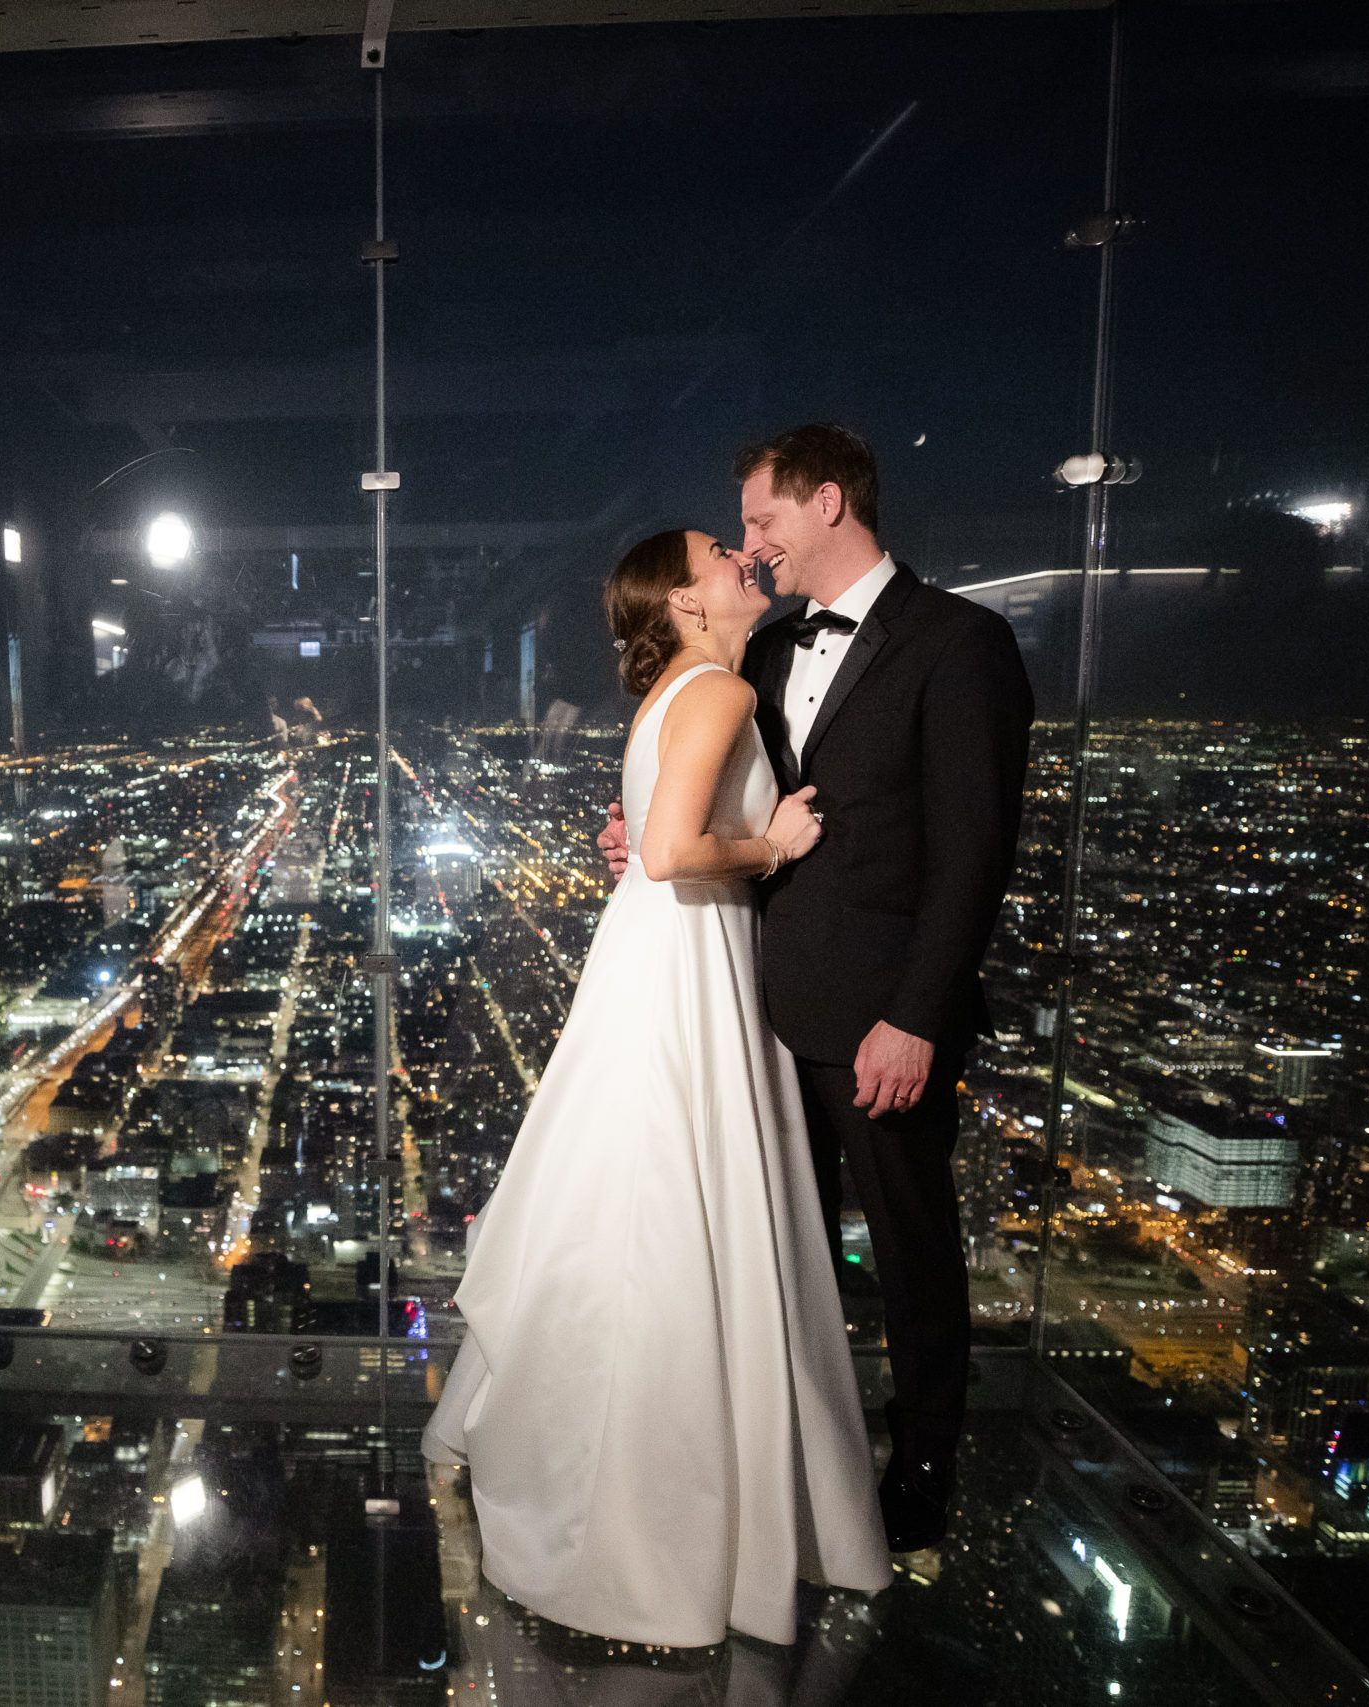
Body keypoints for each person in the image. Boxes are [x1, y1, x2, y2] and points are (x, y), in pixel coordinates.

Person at [423, 527, 895, 1649]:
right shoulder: (720, 692)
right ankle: (680, 1516)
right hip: (691, 951)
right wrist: (775, 845)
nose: (743, 557)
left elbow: (648, 838)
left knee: (645, 1191)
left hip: (661, 953)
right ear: (684, 600)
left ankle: (627, 1484)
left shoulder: (673, 694)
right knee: (692, 1194)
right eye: (720, 554)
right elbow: (673, 853)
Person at [598, 423, 1034, 1552]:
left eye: (761, 519)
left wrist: (915, 1017)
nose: (749, 545)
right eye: (738, 532)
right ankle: (795, 1459)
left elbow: (973, 854)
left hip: (879, 1020)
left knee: (911, 1250)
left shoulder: (960, 642)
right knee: (781, 1252)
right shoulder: (763, 651)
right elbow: (707, 788)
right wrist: (645, 832)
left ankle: (920, 1472)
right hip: (752, 1008)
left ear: (829, 501)